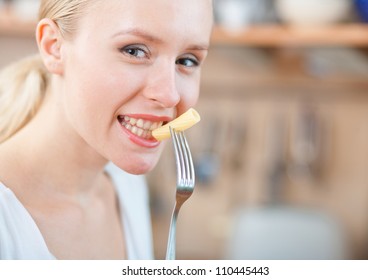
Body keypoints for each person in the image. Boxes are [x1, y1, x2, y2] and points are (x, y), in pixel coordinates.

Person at [0, 0, 213, 259]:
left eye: (187, 61)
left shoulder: (127, 186)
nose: (170, 95)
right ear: (54, 47)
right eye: (134, 51)